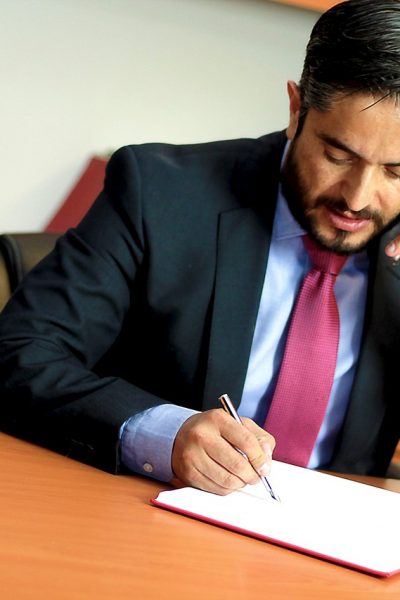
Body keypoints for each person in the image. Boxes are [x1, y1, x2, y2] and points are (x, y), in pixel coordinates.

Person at [1, 0, 400, 495]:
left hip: (334, 531)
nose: (358, 198)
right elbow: (19, 353)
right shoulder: (159, 192)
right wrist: (162, 434)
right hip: (145, 508)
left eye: (395, 171)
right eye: (337, 155)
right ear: (296, 110)